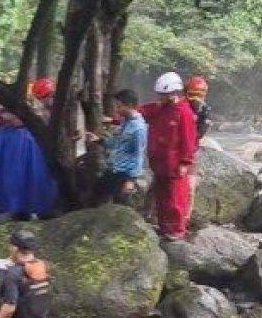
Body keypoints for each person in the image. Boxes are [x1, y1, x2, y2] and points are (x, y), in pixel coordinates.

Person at [140, 72, 198, 240]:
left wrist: (185, 162)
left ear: (174, 93)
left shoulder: (184, 113)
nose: (161, 98)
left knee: (175, 198)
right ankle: (165, 227)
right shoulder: (160, 109)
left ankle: (177, 230)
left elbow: (189, 140)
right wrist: (117, 118)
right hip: (160, 163)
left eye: (164, 95)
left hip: (174, 164)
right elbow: (141, 111)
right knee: (162, 196)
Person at [86, 89, 147, 205]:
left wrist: (131, 179)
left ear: (129, 106)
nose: (117, 110)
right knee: (95, 197)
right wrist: (98, 140)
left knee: (120, 205)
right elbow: (116, 142)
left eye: (119, 107)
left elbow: (138, 155)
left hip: (125, 174)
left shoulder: (138, 128)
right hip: (114, 169)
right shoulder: (125, 121)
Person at [185, 75, 211, 139]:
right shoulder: (184, 107)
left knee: (207, 122)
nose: (195, 99)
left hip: (196, 137)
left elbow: (203, 128)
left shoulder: (205, 108)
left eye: (199, 95)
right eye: (192, 95)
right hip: (185, 137)